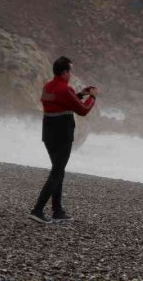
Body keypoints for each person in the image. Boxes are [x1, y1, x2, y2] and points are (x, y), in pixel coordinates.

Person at [29, 56, 98, 224]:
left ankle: (57, 211)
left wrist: (81, 94)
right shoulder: (65, 89)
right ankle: (37, 210)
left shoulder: (48, 86)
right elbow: (82, 111)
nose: (71, 74)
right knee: (57, 172)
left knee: (58, 170)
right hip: (63, 136)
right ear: (65, 72)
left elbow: (62, 102)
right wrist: (92, 97)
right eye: (70, 71)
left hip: (48, 135)